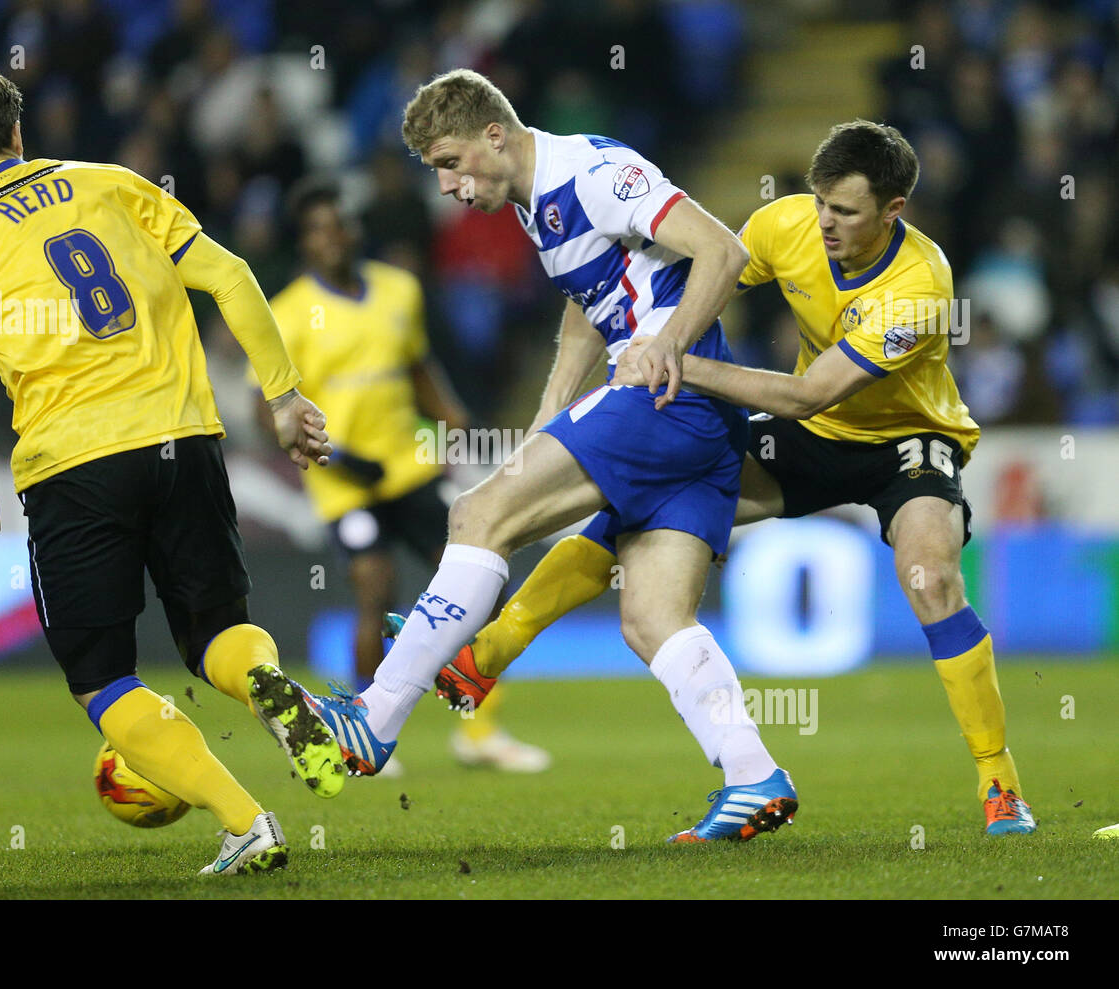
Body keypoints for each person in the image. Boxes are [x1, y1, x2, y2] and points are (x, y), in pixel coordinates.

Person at [432, 120, 1036, 836]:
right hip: (816, 439)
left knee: (931, 577)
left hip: (906, 439)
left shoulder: (921, 286)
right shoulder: (785, 225)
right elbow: (669, 276)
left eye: (845, 210)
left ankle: (1000, 785)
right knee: (639, 506)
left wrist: (674, 358)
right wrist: (627, 333)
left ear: (893, 211)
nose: (825, 222)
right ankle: (485, 655)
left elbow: (813, 393)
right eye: (819, 202)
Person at [301, 68, 799, 844]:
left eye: (452, 162)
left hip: (663, 400)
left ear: (494, 134)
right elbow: (586, 302)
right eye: (438, 172)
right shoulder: (538, 202)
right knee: (653, 617)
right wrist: (547, 416)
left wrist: (664, 347)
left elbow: (723, 252)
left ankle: (376, 714)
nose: (449, 187)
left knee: (479, 514)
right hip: (697, 428)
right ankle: (751, 773)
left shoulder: (594, 172)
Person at [0, 66, 345, 877]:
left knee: (102, 677)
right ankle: (271, 684)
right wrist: (283, 399)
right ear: (17, 134)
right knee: (215, 630)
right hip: (186, 437)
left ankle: (248, 821)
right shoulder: (113, 184)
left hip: (73, 464)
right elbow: (231, 276)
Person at [252, 177, 551, 775]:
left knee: (479, 588)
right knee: (375, 589)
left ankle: (480, 732)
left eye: (337, 224)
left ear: (353, 229)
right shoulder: (285, 315)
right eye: (316, 230)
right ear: (303, 244)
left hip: (409, 468)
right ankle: (363, 725)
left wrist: (452, 418)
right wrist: (321, 454)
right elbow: (269, 412)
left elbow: (417, 368)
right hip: (345, 482)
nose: (330, 237)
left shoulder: (398, 290)